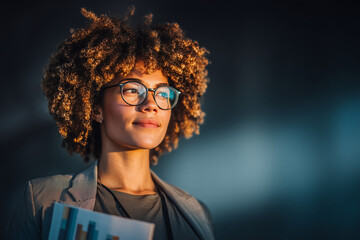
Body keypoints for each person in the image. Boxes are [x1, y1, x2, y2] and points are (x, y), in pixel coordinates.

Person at [6, 7, 214, 240]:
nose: (151, 104)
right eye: (133, 90)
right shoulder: (43, 201)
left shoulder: (197, 215)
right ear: (96, 108)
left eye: (163, 93)